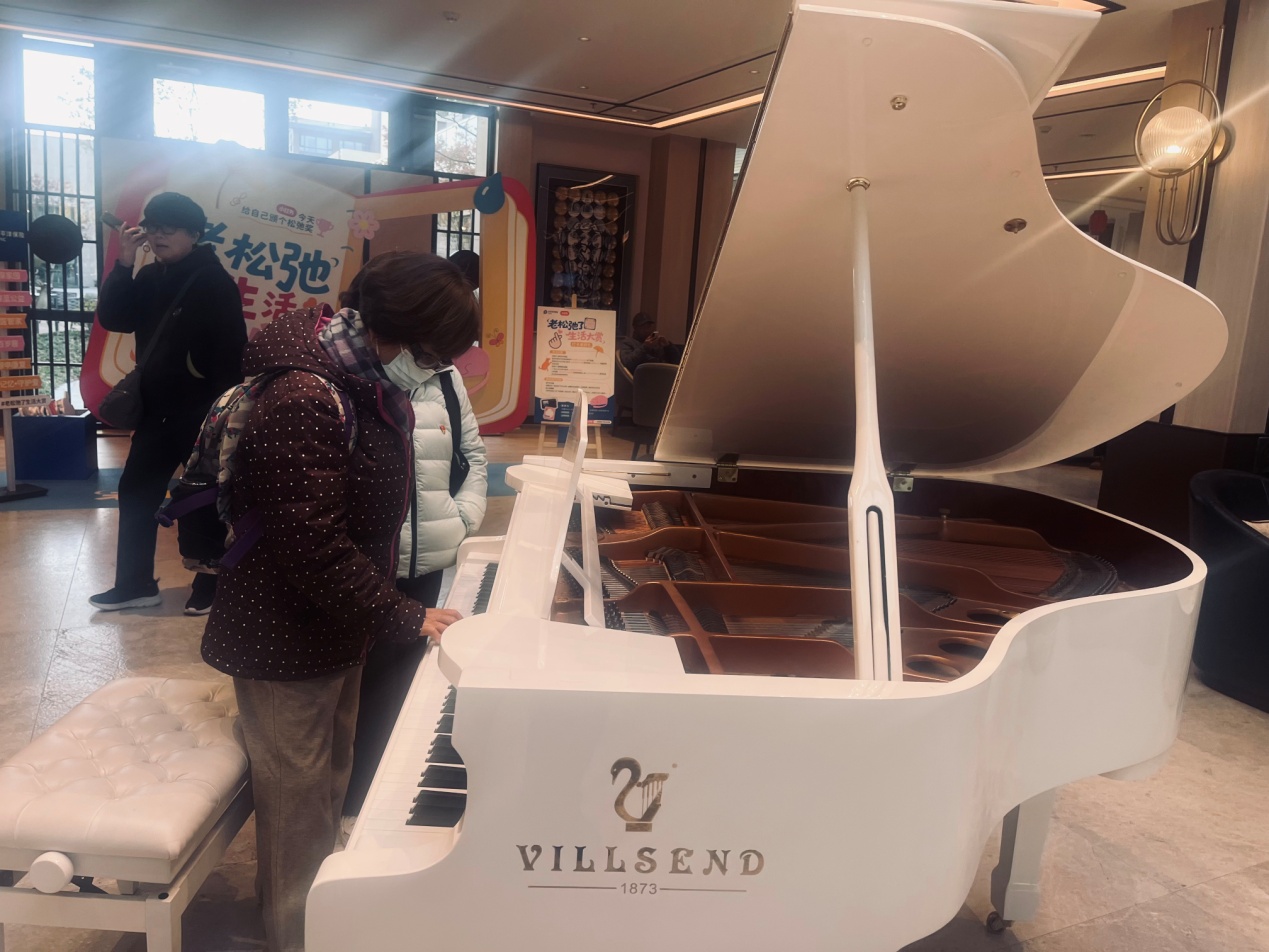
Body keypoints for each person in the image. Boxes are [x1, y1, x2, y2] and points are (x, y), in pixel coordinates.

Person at [199, 250, 477, 952]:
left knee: (326, 783)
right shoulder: (306, 396)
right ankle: (295, 935)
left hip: (334, 624)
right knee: (297, 807)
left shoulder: (357, 379)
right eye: (433, 354)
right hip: (283, 634)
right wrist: (404, 614)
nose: (436, 370)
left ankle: (315, 920)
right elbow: (310, 547)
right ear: (393, 332)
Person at [341, 261, 488, 823]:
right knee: (342, 696)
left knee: (395, 689)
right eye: (428, 352)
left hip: (422, 563)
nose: (434, 364)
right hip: (354, 570)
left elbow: (472, 456)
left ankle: (371, 805)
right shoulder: (337, 380)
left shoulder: (443, 376)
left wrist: (462, 520)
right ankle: (345, 805)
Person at [91, 191, 246, 615]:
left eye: (169, 228)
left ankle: (210, 581)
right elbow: (115, 318)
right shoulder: (149, 276)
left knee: (200, 496)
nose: (158, 235)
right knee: (135, 491)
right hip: (155, 410)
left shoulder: (213, 281)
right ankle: (134, 583)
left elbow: (231, 353)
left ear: (193, 234)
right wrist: (123, 263)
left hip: (200, 411)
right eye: (153, 226)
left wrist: (220, 416)